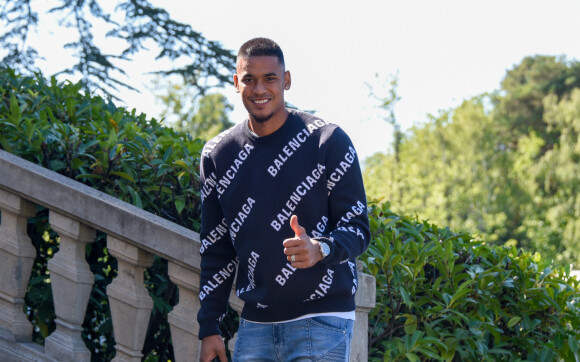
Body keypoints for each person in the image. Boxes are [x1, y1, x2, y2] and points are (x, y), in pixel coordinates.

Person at [197, 37, 370, 362]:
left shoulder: (328, 141)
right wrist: (210, 327)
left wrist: (320, 249)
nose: (259, 88)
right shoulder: (218, 154)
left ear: (286, 80)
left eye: (270, 78)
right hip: (255, 324)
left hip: (322, 322)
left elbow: (358, 228)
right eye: (249, 79)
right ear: (237, 83)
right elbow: (215, 250)